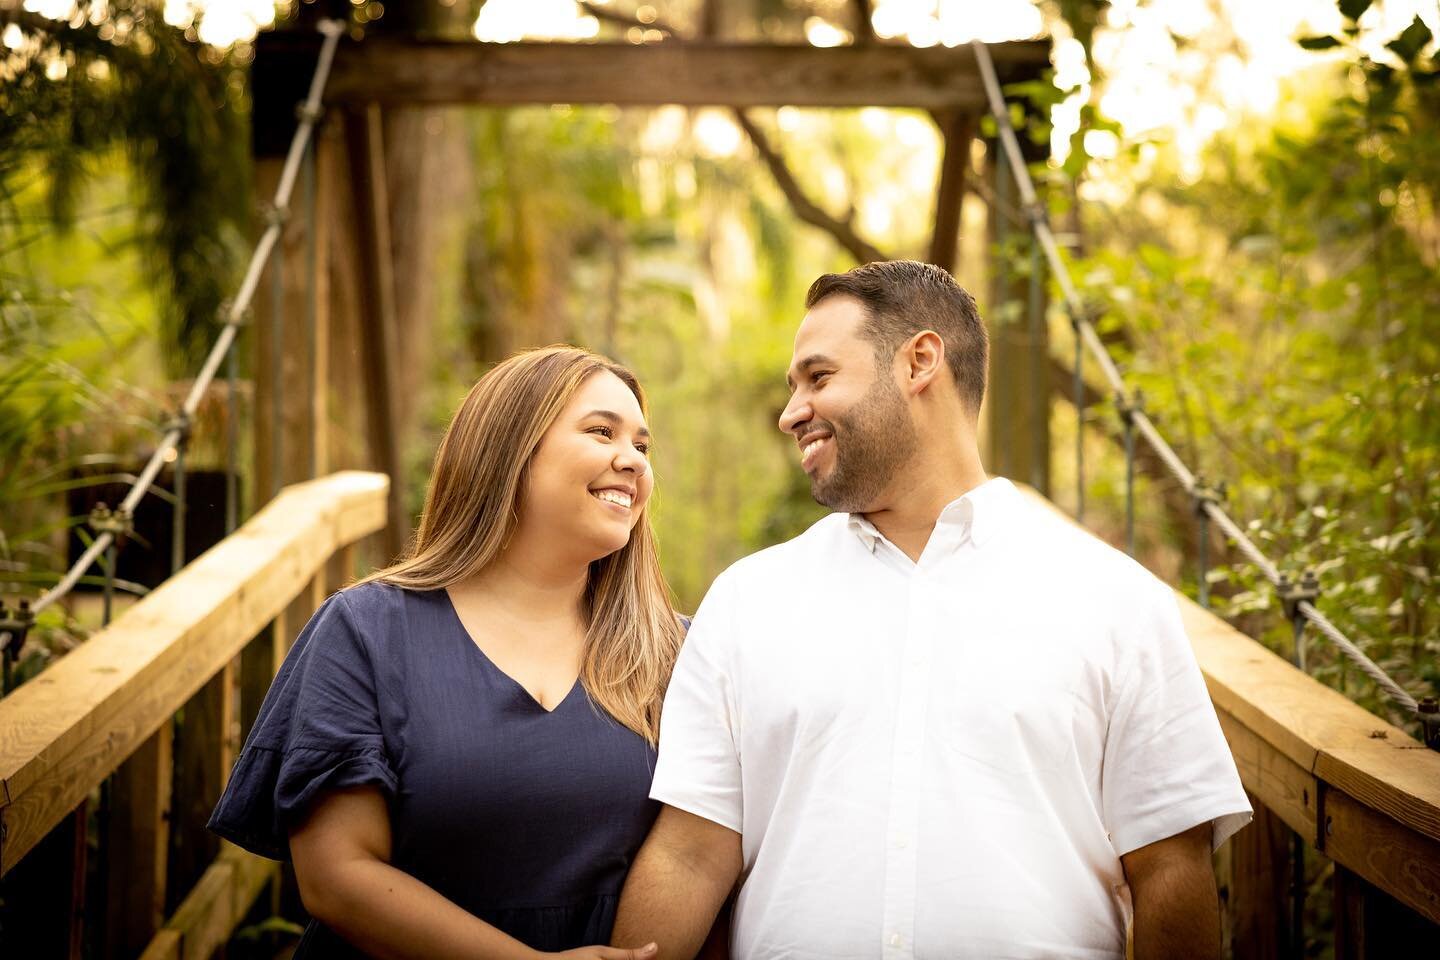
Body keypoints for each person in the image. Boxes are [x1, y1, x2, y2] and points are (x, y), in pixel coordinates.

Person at [611, 261, 1252, 960]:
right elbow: (690, 854)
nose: (790, 413)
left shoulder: (1116, 600)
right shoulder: (747, 600)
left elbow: (1169, 867)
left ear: (919, 361)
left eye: (818, 378)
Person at [210, 346, 684, 959]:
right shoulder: (366, 632)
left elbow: (711, 858)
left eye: (642, 447)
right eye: (601, 432)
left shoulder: (680, 652)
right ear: (511, 451)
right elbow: (336, 877)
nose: (632, 461)